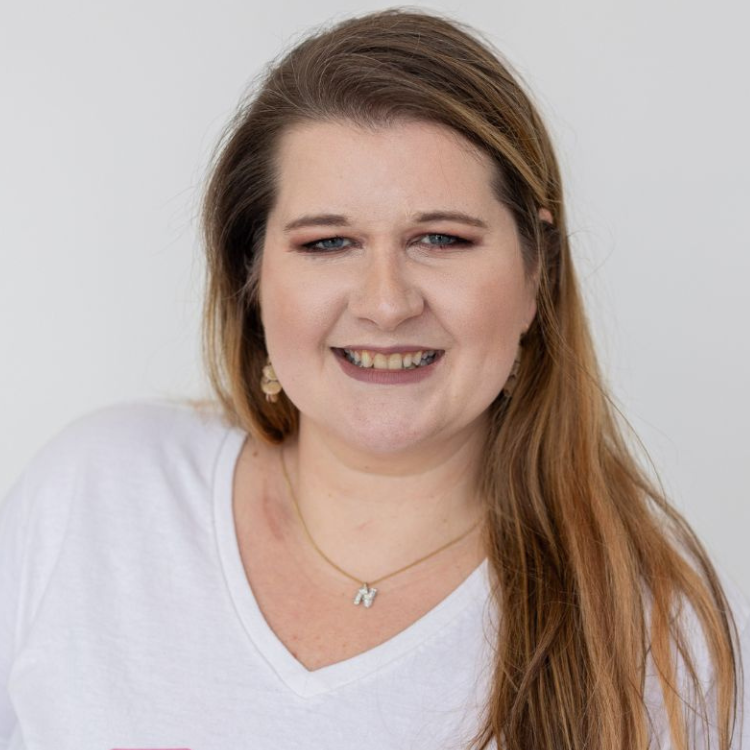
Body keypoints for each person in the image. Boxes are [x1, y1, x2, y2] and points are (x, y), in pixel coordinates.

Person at [0, 7, 747, 750]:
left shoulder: (665, 636)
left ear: (535, 275)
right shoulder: (93, 496)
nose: (387, 304)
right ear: (251, 278)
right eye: (329, 242)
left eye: (441, 239)